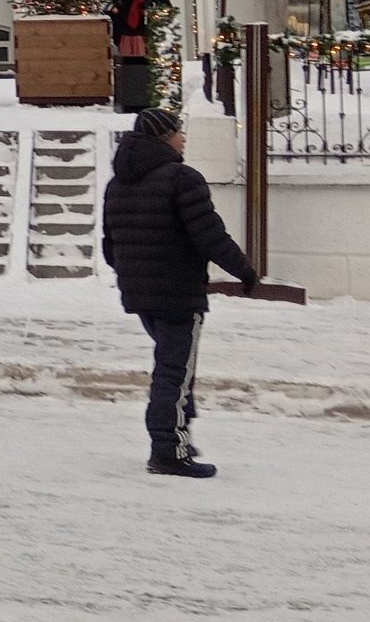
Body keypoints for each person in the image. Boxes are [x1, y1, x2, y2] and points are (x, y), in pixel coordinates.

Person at [100, 107, 259, 479]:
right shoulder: (182, 178)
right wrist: (246, 273)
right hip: (178, 292)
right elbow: (210, 236)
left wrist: (131, 274)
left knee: (174, 367)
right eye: (177, 131)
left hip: (139, 292)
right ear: (163, 136)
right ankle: (167, 450)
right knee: (174, 372)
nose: (183, 137)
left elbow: (110, 244)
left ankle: (179, 433)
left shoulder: (117, 183)